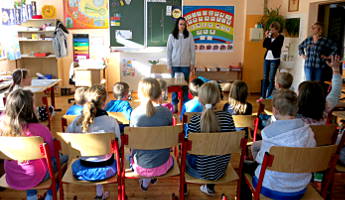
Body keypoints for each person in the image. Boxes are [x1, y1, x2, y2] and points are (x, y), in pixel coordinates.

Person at [250, 90, 316, 199]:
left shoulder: (268, 133)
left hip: (270, 187)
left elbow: (261, 160)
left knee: (248, 170)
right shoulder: (308, 132)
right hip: (299, 188)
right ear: (297, 109)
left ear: (275, 111)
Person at [0, 89, 58, 200]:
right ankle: (49, 197)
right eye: (34, 104)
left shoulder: (2, 127)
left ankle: (32, 197)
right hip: (35, 175)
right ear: (29, 108)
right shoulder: (41, 129)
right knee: (61, 162)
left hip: (12, 174)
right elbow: (51, 154)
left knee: (26, 162)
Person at [67, 85, 121, 200]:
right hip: (107, 169)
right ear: (104, 103)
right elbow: (119, 145)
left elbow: (67, 140)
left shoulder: (77, 121)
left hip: (82, 169)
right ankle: (99, 194)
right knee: (103, 157)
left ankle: (99, 194)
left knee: (92, 157)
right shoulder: (111, 122)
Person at [186, 82, 236, 196]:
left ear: (200, 99)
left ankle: (183, 190)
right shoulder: (228, 118)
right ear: (218, 98)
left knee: (184, 154)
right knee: (215, 154)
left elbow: (189, 147)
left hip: (198, 171)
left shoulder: (194, 120)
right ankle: (209, 187)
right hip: (220, 170)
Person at [130, 78, 173, 191]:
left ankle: (146, 180)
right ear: (159, 93)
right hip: (163, 164)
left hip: (141, 166)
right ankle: (150, 178)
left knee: (130, 155)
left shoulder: (135, 114)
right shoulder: (167, 113)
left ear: (140, 94)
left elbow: (132, 141)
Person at [297, 55, 342, 125]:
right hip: (320, 135)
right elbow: (336, 89)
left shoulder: (293, 112)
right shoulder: (326, 106)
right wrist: (336, 70)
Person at [167, 17, 195, 112]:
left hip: (185, 65)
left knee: (185, 87)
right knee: (174, 86)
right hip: (174, 65)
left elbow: (192, 51)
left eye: (184, 24)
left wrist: (192, 64)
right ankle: (174, 104)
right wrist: (169, 65)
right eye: (180, 24)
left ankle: (185, 105)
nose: (182, 26)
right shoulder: (172, 36)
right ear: (177, 25)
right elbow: (169, 51)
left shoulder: (189, 35)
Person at [261, 22, 284, 99]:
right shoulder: (269, 37)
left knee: (271, 78)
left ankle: (268, 97)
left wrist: (269, 45)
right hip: (267, 59)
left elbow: (275, 47)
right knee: (265, 78)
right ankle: (263, 96)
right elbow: (264, 45)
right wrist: (267, 37)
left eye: (273, 30)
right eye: (271, 30)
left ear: (277, 30)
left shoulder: (281, 37)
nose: (272, 31)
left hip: (274, 59)